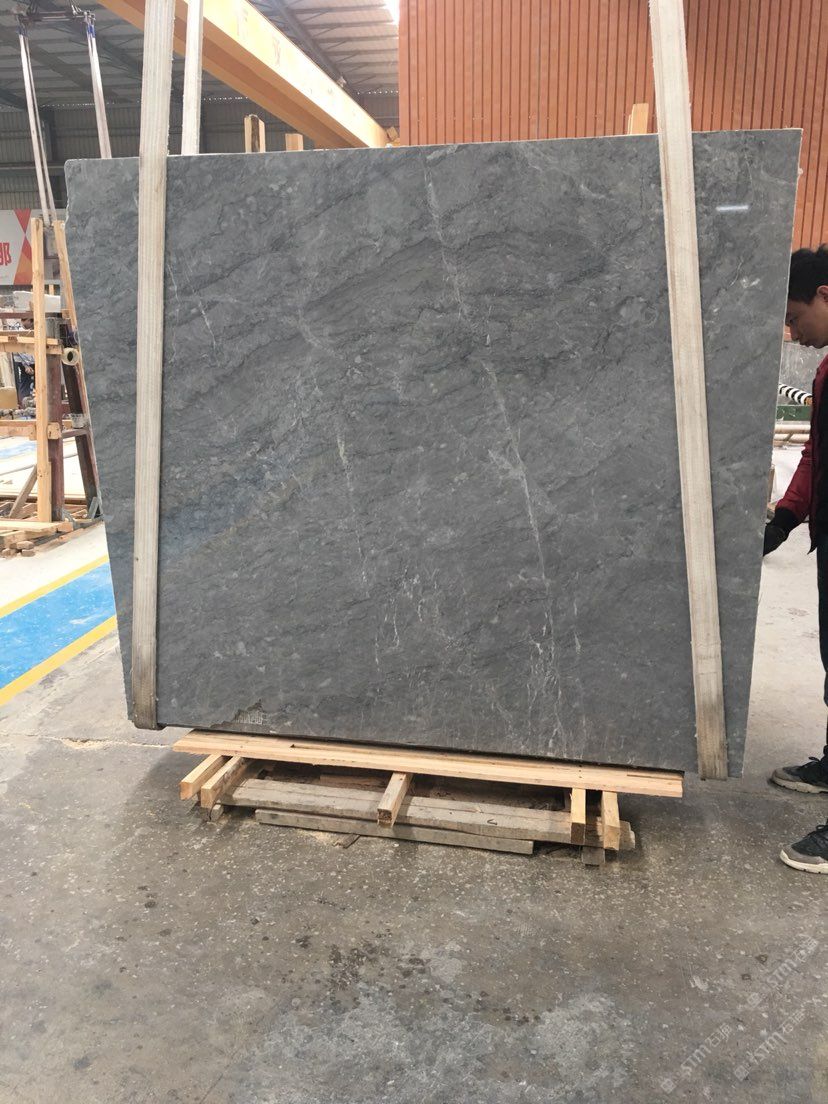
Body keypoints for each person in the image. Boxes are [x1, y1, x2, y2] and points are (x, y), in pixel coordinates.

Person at [764, 244, 828, 873]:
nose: (793, 332)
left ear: (824, 295)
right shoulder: (827, 369)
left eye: (793, 316)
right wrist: (784, 519)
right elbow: (815, 452)